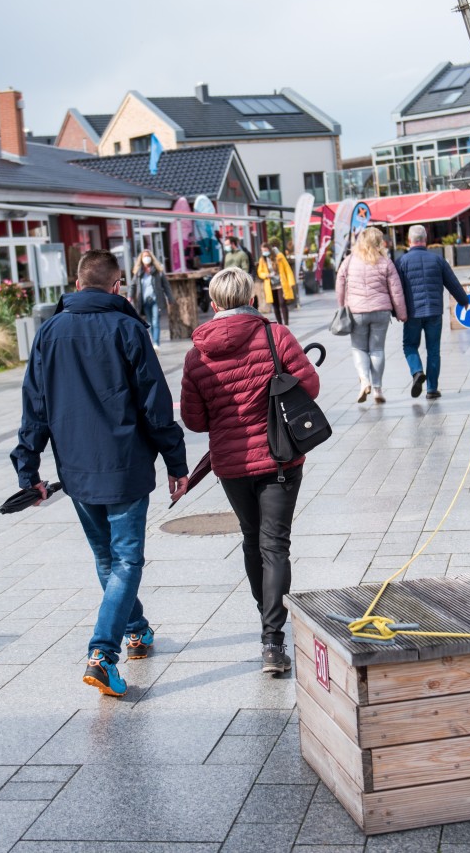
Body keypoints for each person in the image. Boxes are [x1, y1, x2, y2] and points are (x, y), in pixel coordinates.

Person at [12, 249, 188, 698]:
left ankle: (137, 631)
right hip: (125, 465)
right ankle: (102, 655)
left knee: (108, 559)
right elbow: (155, 404)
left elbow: (35, 405)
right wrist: (176, 462)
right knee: (126, 559)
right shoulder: (128, 329)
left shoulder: (49, 331)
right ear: (116, 287)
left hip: (76, 470)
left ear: (76, 283)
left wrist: (27, 468)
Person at [179, 268, 320, 675]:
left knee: (251, 537)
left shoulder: (196, 354)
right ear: (252, 298)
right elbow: (309, 386)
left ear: (214, 304)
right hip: (279, 457)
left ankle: (267, 617)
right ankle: (272, 640)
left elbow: (194, 419)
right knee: (275, 545)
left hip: (231, 464)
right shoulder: (276, 337)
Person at [395, 224, 470, 401]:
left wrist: (396, 311)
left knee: (410, 345)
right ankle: (432, 389)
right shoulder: (437, 260)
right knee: (433, 350)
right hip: (434, 311)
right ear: (425, 239)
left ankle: (417, 371)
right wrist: (464, 301)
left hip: (413, 313)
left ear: (409, 241)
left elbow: (396, 289)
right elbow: (452, 282)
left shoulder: (402, 262)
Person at [336, 227, 406, 404]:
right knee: (377, 349)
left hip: (357, 311)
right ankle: (377, 389)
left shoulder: (350, 260)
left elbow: (340, 281)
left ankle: (364, 380)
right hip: (381, 311)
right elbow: (396, 290)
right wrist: (401, 313)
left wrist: (341, 306)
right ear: (379, 242)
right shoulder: (385, 262)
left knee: (359, 348)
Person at [130, 250, 174, 347]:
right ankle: (153, 341)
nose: (146, 258)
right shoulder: (138, 272)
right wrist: (130, 296)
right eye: (144, 256)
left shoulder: (158, 271)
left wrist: (170, 298)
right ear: (141, 259)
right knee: (149, 323)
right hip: (144, 301)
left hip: (156, 300)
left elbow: (166, 286)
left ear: (151, 258)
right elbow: (133, 285)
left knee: (155, 321)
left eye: (148, 256)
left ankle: (156, 344)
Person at [257, 243, 296, 325]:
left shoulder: (279, 256)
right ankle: (280, 324)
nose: (264, 252)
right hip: (270, 284)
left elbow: (287, 269)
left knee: (282, 303)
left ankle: (286, 323)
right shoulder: (262, 259)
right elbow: (260, 272)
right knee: (275, 305)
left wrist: (291, 282)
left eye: (265, 250)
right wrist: (265, 275)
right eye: (262, 251)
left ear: (269, 249)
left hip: (281, 283)